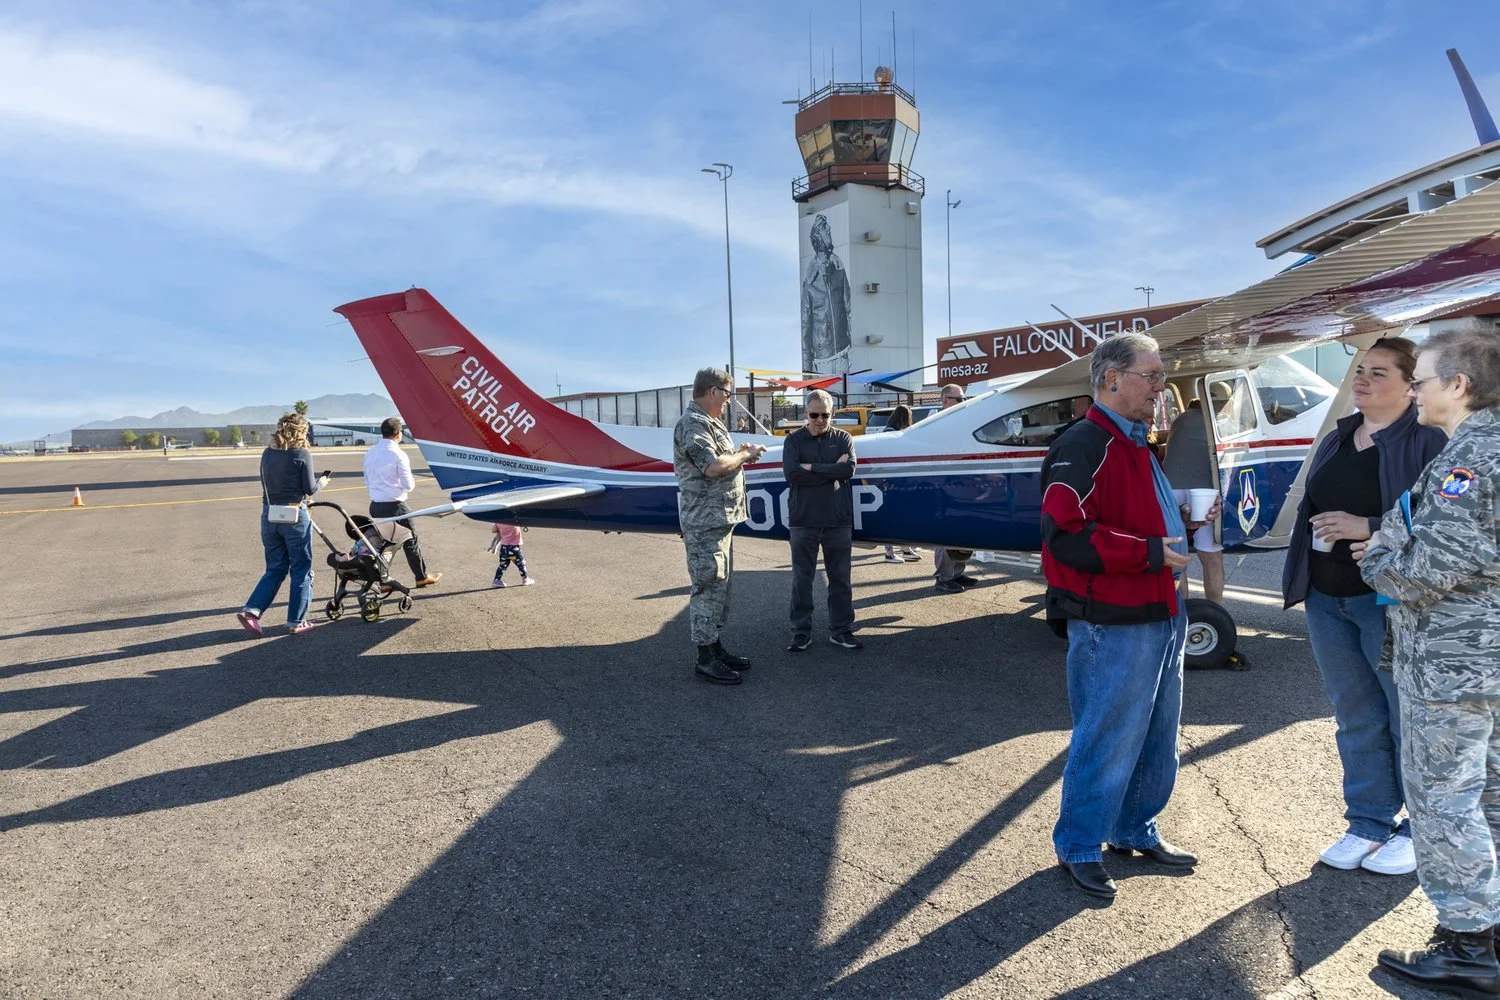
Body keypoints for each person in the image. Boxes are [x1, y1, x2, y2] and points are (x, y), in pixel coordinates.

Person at [1040, 333, 1219, 899]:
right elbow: (1062, 535)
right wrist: (1145, 552)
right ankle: (1079, 843)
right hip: (1112, 619)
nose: (1162, 386)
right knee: (1108, 735)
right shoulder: (1085, 442)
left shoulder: (1140, 444)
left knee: (1157, 734)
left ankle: (1132, 827)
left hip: (1160, 611)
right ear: (1112, 378)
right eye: (1153, 375)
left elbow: (1138, 522)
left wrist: (1186, 526)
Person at [1355, 330, 1500, 996]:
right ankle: (1489, 933)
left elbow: (1424, 568)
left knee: (1444, 802)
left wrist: (1378, 559)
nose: (1414, 390)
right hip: (1481, 664)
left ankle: (1468, 949)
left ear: (1458, 386)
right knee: (1486, 800)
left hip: (1452, 666)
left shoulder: (1472, 457)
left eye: (1425, 378)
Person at [1280, 338, 1444, 878]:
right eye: (1361, 370)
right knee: (1355, 716)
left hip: (1390, 601)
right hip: (1328, 599)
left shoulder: (1428, 441)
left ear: (1409, 386)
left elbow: (1446, 524)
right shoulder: (1338, 436)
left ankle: (1419, 830)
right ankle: (1369, 822)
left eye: (1378, 372)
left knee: (1406, 719)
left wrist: (1369, 528)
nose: (1363, 379)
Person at [672, 367, 767, 684]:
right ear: (712, 391)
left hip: (719, 521)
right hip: (704, 523)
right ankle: (705, 659)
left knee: (720, 588)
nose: (728, 401)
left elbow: (721, 460)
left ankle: (715, 648)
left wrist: (740, 455)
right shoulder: (692, 425)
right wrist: (743, 456)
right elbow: (713, 467)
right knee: (708, 586)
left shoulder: (710, 424)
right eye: (727, 395)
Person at [237, 412, 330, 635]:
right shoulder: (302, 453)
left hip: (269, 515)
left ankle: (252, 611)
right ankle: (297, 621)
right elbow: (309, 489)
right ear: (301, 432)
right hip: (294, 515)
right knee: (301, 568)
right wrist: (322, 483)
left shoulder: (267, 453)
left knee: (275, 568)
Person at [783, 389, 860, 651]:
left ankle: (841, 630)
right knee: (801, 579)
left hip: (837, 520)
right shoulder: (793, 441)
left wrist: (812, 467)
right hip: (803, 520)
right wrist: (830, 471)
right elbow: (792, 475)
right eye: (814, 415)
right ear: (806, 414)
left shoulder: (844, 439)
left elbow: (847, 469)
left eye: (824, 415)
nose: (819, 420)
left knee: (840, 579)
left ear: (832, 414)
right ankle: (801, 631)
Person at [363, 417, 441, 589]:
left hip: (376, 506)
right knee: (410, 540)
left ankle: (382, 580)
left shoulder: (370, 452)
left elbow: (367, 480)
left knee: (385, 543)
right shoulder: (398, 454)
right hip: (396, 506)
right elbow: (408, 485)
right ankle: (421, 577)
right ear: (398, 434)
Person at [1162, 399, 1226, 604]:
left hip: (1171, 488)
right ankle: (1215, 609)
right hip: (1205, 491)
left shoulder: (1180, 420)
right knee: (1212, 557)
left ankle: (1184, 612)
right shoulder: (1221, 422)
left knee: (1176, 555)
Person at [933, 385, 980, 593]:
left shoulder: (960, 420)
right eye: (959, 399)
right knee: (947, 535)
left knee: (963, 532)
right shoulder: (937, 423)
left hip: (962, 483)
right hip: (945, 485)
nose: (963, 402)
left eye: (964, 398)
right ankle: (943, 578)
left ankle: (957, 572)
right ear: (945, 401)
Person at [882, 404, 921, 564]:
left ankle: (905, 549)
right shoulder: (893, 433)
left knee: (899, 516)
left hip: (893, 481)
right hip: (893, 482)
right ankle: (889, 553)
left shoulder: (888, 431)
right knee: (892, 517)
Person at [489, 522, 534, 588]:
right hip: (514, 548)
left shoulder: (498, 521)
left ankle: (496, 580)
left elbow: (493, 530)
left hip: (504, 548)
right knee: (521, 564)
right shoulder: (514, 521)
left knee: (502, 565)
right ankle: (525, 579)